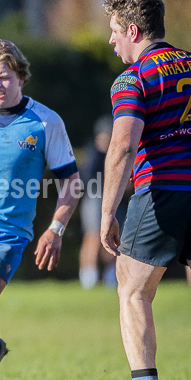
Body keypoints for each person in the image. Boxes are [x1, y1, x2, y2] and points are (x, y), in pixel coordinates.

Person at [0, 39, 81, 380]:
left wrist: (55, 228)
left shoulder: (44, 121)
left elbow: (71, 182)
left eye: (5, 77)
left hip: (7, 233)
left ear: (21, 78)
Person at [101, 0, 191, 380]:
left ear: (132, 29)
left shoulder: (134, 77)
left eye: (113, 32)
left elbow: (123, 146)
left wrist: (108, 211)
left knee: (132, 289)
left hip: (163, 191)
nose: (111, 41)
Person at [78, 117, 124, 289]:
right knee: (92, 237)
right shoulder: (92, 154)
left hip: (113, 200)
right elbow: (89, 181)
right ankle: (88, 276)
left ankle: (111, 276)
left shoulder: (113, 154)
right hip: (95, 199)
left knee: (114, 238)